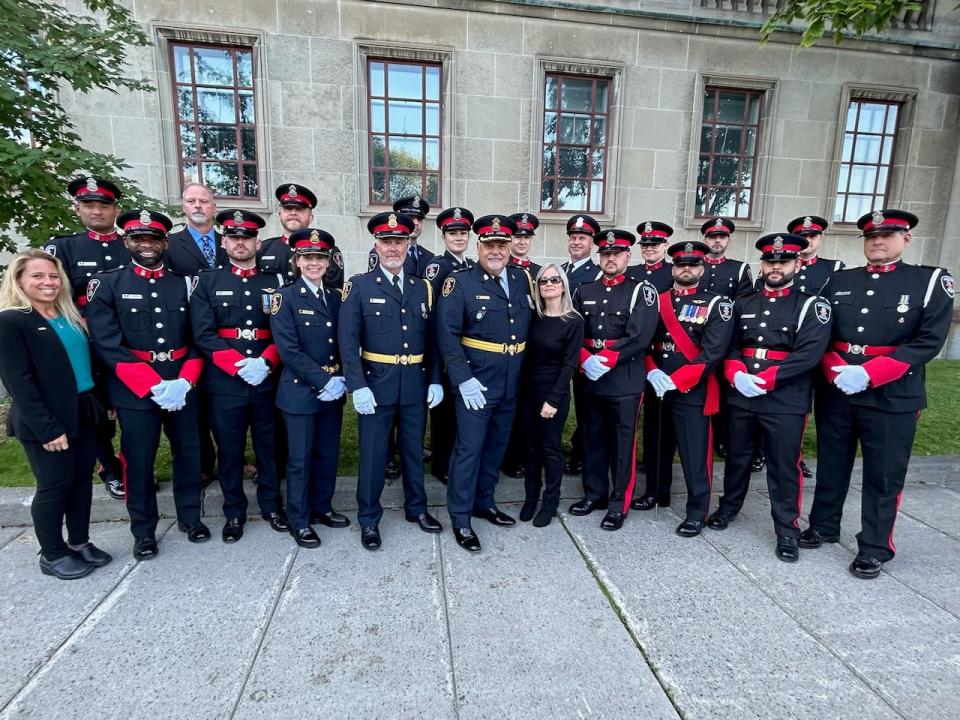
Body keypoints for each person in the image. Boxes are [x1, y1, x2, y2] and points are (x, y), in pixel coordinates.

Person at [803, 209, 953, 579]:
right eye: (871, 237)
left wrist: (870, 373)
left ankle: (874, 546)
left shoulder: (929, 281)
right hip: (838, 387)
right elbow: (818, 332)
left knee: (883, 474)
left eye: (886, 236)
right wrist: (836, 369)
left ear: (906, 239)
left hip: (892, 393)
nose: (878, 242)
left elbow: (928, 341)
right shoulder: (839, 281)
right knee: (832, 462)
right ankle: (823, 525)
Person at [85, 209, 209, 559]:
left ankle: (190, 518)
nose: (147, 245)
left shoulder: (184, 284)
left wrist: (185, 380)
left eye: (153, 239)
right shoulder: (108, 284)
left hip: (182, 384)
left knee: (189, 454)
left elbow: (199, 337)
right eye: (139, 238)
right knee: (138, 461)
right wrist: (151, 384)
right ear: (127, 242)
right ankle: (143, 531)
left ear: (164, 243)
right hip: (135, 389)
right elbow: (106, 343)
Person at [709, 233, 832, 563]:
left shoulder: (811, 305)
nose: (776, 267)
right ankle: (728, 508)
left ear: (797, 263)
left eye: (783, 261)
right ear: (761, 264)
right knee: (737, 457)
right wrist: (736, 373)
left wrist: (765, 380)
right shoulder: (743, 303)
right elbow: (729, 344)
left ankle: (787, 529)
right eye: (770, 261)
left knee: (783, 466)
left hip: (784, 397)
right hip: (743, 392)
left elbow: (808, 353)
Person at [0, 250, 113, 579]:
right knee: (54, 485)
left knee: (81, 481)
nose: (47, 282)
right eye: (37, 276)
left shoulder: (69, 315)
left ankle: (79, 542)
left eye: (52, 276)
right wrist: (47, 428)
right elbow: (18, 382)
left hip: (84, 408)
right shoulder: (12, 321)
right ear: (20, 280)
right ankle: (51, 552)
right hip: (47, 417)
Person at [339, 212, 445, 550]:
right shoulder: (359, 286)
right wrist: (357, 385)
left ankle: (417, 508)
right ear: (377, 245)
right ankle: (369, 519)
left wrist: (435, 379)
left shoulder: (422, 287)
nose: (393, 248)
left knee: (413, 451)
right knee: (372, 456)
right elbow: (347, 340)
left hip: (414, 383)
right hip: (376, 384)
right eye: (387, 242)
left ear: (407, 243)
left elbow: (433, 340)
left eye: (399, 241)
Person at [189, 209, 289, 543]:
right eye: (234, 237)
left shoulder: (275, 281)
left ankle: (272, 506)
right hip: (225, 381)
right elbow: (202, 333)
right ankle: (234, 512)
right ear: (225, 241)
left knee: (269, 446)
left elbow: (283, 331)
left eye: (247, 237)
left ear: (257, 242)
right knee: (229, 450)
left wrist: (266, 362)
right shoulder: (208, 281)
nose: (240, 242)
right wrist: (236, 364)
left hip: (266, 376)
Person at [437, 214, 533, 552]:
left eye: (501, 246)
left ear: (509, 248)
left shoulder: (523, 280)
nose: (496, 251)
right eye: (489, 245)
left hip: (510, 382)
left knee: (495, 448)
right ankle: (461, 518)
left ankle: (485, 502)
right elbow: (447, 336)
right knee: (469, 450)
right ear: (478, 246)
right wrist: (463, 381)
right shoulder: (459, 282)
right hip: (476, 383)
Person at [634, 241, 733, 537]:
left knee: (694, 452)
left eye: (692, 264)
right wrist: (652, 372)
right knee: (656, 444)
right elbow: (644, 341)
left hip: (692, 389)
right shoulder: (657, 300)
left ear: (701, 268)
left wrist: (677, 380)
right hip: (658, 386)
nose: (685, 269)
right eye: (680, 264)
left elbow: (713, 353)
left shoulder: (717, 304)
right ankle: (656, 493)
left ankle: (697, 509)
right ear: (672, 268)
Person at [43, 175, 128, 500]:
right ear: (77, 208)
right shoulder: (63, 247)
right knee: (97, 408)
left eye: (103, 205)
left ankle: (133, 463)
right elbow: (52, 293)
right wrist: (78, 321)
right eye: (89, 205)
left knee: (131, 405)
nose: (96, 211)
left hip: (128, 338)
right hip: (85, 338)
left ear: (115, 209)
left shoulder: (131, 243)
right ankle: (109, 467)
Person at [569, 228, 660, 531]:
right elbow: (576, 332)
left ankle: (619, 503)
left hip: (624, 379)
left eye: (616, 253)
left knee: (623, 444)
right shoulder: (585, 290)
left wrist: (604, 359)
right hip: (590, 378)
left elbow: (639, 337)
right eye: (605, 254)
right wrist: (584, 359)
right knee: (591, 437)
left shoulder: (640, 290)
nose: (610, 258)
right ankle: (595, 494)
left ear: (627, 256)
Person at [270, 228, 349, 549]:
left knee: (326, 454)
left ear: (328, 262)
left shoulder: (335, 296)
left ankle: (322, 507)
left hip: (334, 389)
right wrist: (324, 380)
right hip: (301, 391)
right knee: (300, 459)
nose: (314, 263)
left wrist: (342, 378)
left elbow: (345, 340)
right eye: (308, 258)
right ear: (297, 261)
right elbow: (289, 351)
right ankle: (299, 519)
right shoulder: (285, 297)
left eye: (320, 257)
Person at [164, 182, 222, 484]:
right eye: (191, 201)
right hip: (186, 333)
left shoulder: (231, 242)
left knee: (223, 407)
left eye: (204, 201)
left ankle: (231, 459)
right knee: (193, 403)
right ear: (183, 206)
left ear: (213, 206)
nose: (198, 206)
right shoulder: (170, 245)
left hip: (224, 336)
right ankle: (202, 463)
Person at [519, 264, 583, 527]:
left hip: (552, 395)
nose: (548, 284)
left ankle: (551, 500)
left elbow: (570, 364)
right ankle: (530, 497)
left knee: (550, 450)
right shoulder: (535, 316)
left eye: (554, 280)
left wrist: (553, 400)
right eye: (543, 280)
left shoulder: (573, 321)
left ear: (563, 285)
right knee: (530, 449)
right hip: (527, 392)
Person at [787, 215, 845, 479]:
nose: (807, 241)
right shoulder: (781, 266)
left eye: (812, 236)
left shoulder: (834, 269)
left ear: (820, 238)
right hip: (782, 346)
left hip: (815, 346)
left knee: (804, 404)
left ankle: (795, 455)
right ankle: (761, 451)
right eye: (802, 237)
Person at [424, 207, 475, 485]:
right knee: (443, 412)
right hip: (443, 350)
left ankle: (453, 457)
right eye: (453, 233)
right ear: (443, 236)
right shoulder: (438, 266)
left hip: (464, 347)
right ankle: (441, 465)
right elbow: (432, 314)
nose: (458, 237)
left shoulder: (468, 266)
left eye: (463, 233)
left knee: (459, 411)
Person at [560, 214, 602, 476]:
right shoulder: (560, 271)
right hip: (560, 349)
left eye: (582, 238)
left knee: (588, 407)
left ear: (592, 243)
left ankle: (580, 454)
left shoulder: (597, 273)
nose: (576, 242)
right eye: (573, 238)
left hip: (586, 350)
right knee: (558, 400)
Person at [501, 212, 541, 478]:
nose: (522, 241)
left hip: (532, 351)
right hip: (506, 353)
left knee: (529, 408)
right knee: (508, 408)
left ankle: (528, 455)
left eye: (527, 237)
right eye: (517, 236)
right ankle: (508, 457)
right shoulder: (502, 270)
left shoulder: (539, 273)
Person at [258, 183, 344, 289]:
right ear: (280, 215)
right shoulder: (262, 249)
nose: (293, 213)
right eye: (288, 209)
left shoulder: (329, 251)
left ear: (310, 218)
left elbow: (334, 295)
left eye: (300, 209)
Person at [367, 194, 435, 278]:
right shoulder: (380, 252)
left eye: (419, 219)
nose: (416, 223)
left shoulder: (429, 256)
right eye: (411, 217)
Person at [626, 221, 673, 291]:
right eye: (644, 245)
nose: (649, 249)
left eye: (654, 245)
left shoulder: (673, 272)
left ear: (666, 245)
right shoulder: (629, 272)